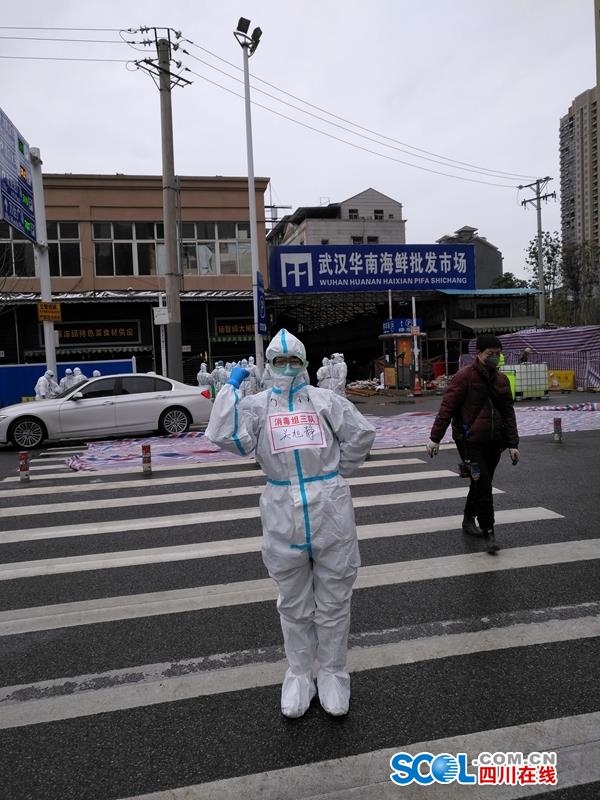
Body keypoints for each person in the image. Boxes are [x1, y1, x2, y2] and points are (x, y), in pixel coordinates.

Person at [206, 329, 375, 719]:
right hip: (282, 509)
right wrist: (230, 390)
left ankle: (333, 673)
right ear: (268, 365)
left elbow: (361, 434)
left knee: (334, 601)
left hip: (330, 510)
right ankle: (299, 674)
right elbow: (226, 436)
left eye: (292, 361)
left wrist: (337, 473)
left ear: (304, 363)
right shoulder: (256, 406)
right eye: (278, 361)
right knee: (293, 603)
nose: (286, 368)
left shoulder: (324, 400)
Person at [426, 334, 520, 555]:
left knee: (480, 483)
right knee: (483, 484)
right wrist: (435, 438)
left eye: (498, 354)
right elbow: (447, 408)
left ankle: (468, 518)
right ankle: (489, 531)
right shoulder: (464, 377)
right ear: (478, 354)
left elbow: (508, 413)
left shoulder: (502, 380)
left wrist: (512, 443)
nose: (495, 357)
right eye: (490, 354)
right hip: (469, 441)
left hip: (494, 442)